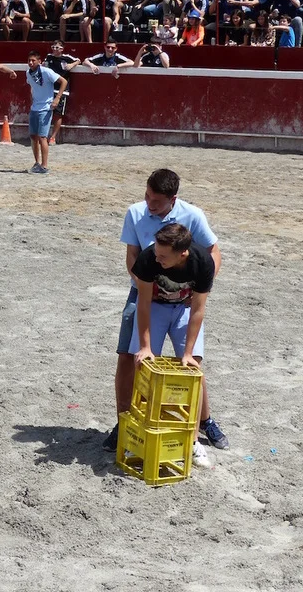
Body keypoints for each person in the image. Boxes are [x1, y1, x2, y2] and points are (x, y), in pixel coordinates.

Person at [103, 169, 227, 456]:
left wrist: (196, 287)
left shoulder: (193, 215)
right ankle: (125, 422)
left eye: (156, 201)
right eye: (147, 196)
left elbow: (214, 253)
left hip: (184, 298)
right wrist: (145, 285)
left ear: (173, 199)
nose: (149, 204)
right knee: (129, 356)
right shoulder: (135, 213)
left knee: (193, 362)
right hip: (145, 289)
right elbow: (132, 256)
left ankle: (204, 421)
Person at [130, 223, 220, 468]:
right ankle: (139, 436)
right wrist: (146, 347)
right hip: (155, 307)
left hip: (184, 308)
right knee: (143, 365)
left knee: (193, 370)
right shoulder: (149, 257)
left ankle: (192, 441)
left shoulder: (202, 262)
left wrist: (188, 353)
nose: (157, 258)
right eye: (156, 252)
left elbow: (198, 309)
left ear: (183, 253)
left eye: (163, 256)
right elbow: (143, 304)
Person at [24, 50, 65, 174]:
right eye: (29, 60)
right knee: (33, 136)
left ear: (39, 61)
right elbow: (32, 86)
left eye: (33, 60)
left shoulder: (47, 72)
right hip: (35, 107)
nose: (31, 63)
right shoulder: (28, 73)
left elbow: (63, 81)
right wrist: (32, 98)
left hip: (45, 108)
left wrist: (57, 98)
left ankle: (44, 165)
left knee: (42, 137)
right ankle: (37, 162)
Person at [43, 40, 80, 145]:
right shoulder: (49, 57)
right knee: (46, 112)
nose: (55, 49)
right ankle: (44, 135)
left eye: (57, 48)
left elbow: (78, 60)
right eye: (53, 47)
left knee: (58, 114)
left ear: (62, 49)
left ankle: (53, 137)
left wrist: (72, 65)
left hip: (61, 90)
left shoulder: (66, 58)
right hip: (49, 88)